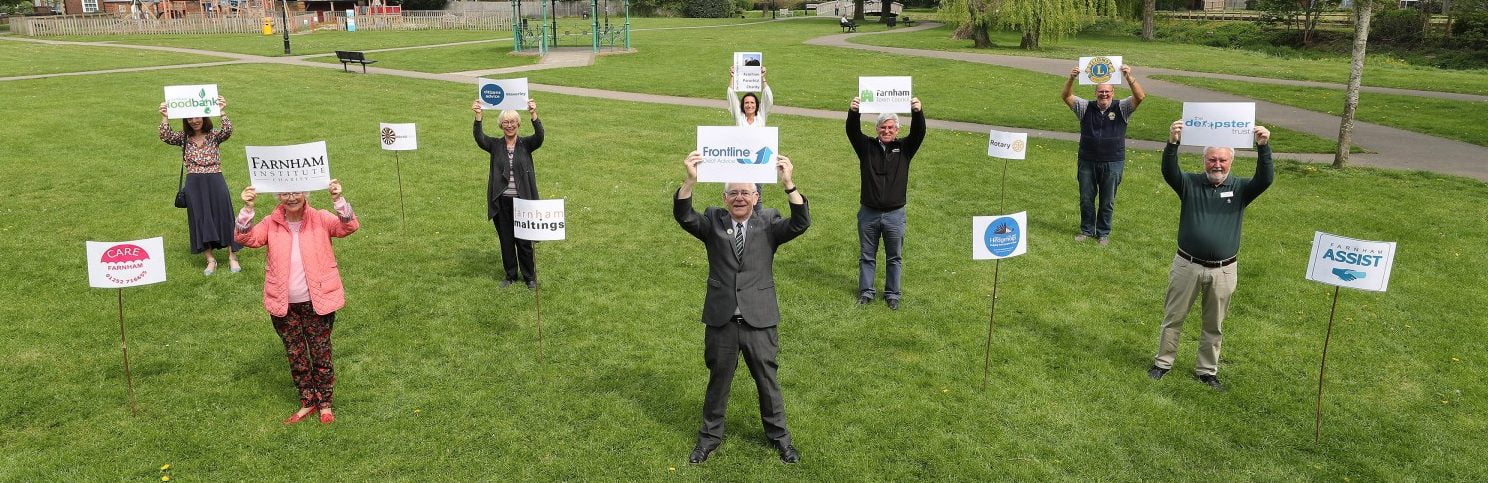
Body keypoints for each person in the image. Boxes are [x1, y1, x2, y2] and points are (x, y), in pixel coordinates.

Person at [674, 151, 809, 465]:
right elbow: (684, 216)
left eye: (745, 193)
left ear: (756, 196)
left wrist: (789, 184)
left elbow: (801, 223)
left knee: (768, 382)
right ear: (724, 197)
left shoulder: (770, 222)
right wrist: (690, 180)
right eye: (733, 193)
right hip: (721, 320)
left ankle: (780, 439)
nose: (739, 198)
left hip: (759, 320)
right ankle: (708, 440)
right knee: (718, 383)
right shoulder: (712, 222)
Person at [1147, 121, 1273, 392]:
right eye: (1212, 159)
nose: (1217, 165)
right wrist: (1172, 143)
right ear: (1204, 160)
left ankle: (1206, 371)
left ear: (1231, 161)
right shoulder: (1190, 183)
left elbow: (1265, 180)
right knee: (1174, 317)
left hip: (1223, 270)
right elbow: (1169, 172)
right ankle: (1163, 363)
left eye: (1223, 160)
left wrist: (1264, 148)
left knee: (1214, 324)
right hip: (1187, 265)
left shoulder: (1240, 189)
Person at [234, 179, 360, 424]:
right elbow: (247, 239)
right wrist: (248, 209)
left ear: (306, 193)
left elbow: (349, 226)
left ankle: (325, 404)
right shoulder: (271, 223)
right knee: (296, 353)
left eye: (297, 192)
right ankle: (307, 401)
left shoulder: (321, 218)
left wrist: (338, 199)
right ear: (278, 196)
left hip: (318, 301)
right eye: (285, 193)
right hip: (284, 304)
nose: (291, 197)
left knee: (321, 352)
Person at [845, 95, 924, 310]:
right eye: (883, 127)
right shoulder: (866, 147)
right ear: (877, 128)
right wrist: (854, 112)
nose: (887, 131)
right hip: (868, 212)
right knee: (867, 256)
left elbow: (919, 133)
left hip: (895, 214)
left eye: (891, 128)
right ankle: (866, 292)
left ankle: (892, 295)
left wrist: (917, 113)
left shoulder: (905, 149)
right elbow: (852, 132)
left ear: (897, 130)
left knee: (894, 257)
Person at [1060, 64, 1146, 246]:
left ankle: (1103, 233)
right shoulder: (1084, 108)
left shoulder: (1122, 108)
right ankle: (1086, 230)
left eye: (1107, 92)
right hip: (1087, 160)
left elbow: (1140, 97)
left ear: (1113, 93)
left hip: (1113, 161)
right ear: (1095, 93)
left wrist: (1129, 77)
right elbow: (1066, 96)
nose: (1104, 95)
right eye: (1101, 92)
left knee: (1107, 201)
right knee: (1086, 198)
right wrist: (1072, 78)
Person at [158, 95, 242, 275]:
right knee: (200, 218)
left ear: (204, 118)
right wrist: (165, 115)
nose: (195, 121)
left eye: (198, 117)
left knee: (224, 214)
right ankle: (210, 259)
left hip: (215, 178)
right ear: (186, 120)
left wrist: (222, 110)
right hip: (194, 182)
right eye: (190, 118)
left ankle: (232, 257)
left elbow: (228, 130)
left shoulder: (214, 136)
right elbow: (165, 135)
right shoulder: (183, 138)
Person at [472, 97, 543, 289]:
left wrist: (533, 114)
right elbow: (480, 139)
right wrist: (478, 116)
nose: (509, 125)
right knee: (506, 241)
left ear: (518, 124)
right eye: (506, 122)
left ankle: (529, 277)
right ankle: (510, 275)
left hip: (523, 201)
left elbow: (540, 137)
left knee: (524, 242)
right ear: (501, 125)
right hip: (502, 202)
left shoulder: (526, 144)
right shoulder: (495, 145)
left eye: (512, 122)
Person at [728, 64, 774, 209]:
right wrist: (733, 76)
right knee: (740, 193)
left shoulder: (761, 116)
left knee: (756, 194)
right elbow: (731, 95)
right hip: (741, 160)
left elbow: (768, 96)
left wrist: (762, 78)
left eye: (752, 102)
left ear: (757, 105)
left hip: (758, 161)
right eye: (746, 103)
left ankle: (758, 222)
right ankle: (741, 219)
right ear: (743, 105)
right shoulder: (739, 117)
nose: (749, 105)